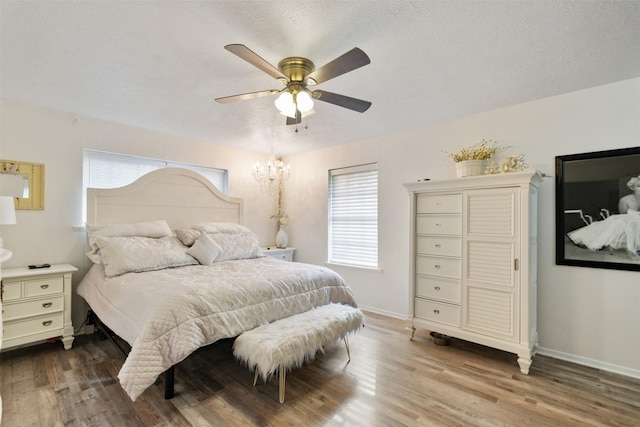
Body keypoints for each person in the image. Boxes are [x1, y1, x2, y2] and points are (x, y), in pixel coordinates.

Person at [568, 175, 640, 260]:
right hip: (628, 221)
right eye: (638, 186)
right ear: (633, 188)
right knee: (625, 224)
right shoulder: (625, 200)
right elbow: (623, 215)